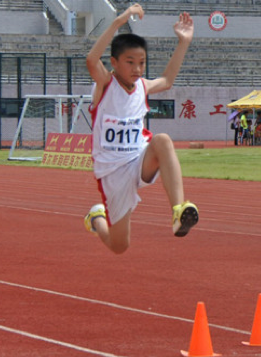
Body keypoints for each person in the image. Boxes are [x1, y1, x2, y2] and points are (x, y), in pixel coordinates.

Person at [83, 4, 198, 254]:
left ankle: (178, 210)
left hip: (138, 159)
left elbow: (167, 81)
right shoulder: (105, 84)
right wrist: (118, 21)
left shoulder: (143, 86)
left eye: (142, 62)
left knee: (163, 140)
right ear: (114, 62)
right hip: (113, 172)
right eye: (130, 62)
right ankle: (95, 219)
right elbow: (91, 60)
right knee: (119, 246)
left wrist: (183, 42)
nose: (137, 69)